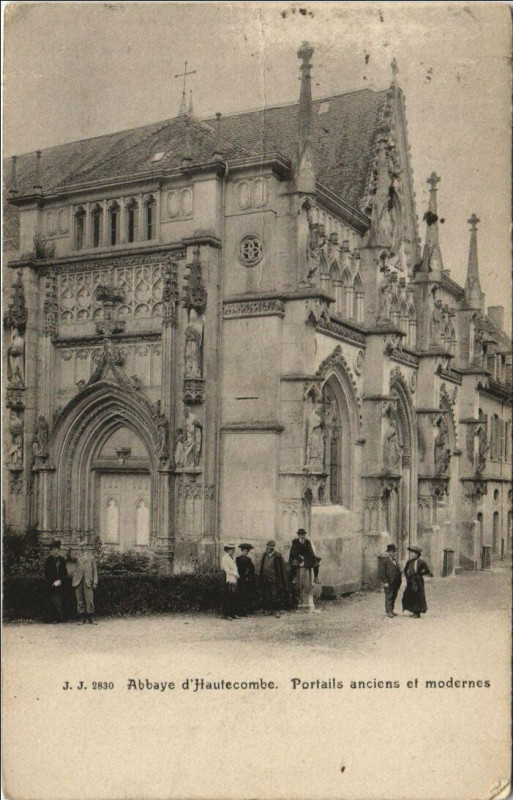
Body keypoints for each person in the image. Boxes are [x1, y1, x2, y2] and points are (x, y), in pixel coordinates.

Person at [288, 528, 320, 611]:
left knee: (316, 561)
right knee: (294, 564)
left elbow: (310, 552)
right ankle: (294, 577)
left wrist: (310, 558)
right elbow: (293, 552)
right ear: (298, 535)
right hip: (296, 557)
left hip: (305, 558)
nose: (302, 536)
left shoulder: (307, 542)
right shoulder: (295, 542)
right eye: (301, 535)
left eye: (303, 535)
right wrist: (299, 557)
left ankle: (316, 577)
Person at [258, 540, 290, 618]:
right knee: (267, 595)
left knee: (276, 595)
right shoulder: (265, 555)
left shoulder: (278, 556)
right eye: (267, 547)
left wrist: (283, 581)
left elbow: (282, 569)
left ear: (273, 548)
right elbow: (262, 566)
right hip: (266, 578)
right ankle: (269, 610)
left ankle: (277, 611)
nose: (268, 549)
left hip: (275, 579)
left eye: (270, 547)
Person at [70, 539, 99, 624]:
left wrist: (95, 582)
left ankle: (90, 618)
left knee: (89, 599)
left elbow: (95, 570)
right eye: (81, 546)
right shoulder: (77, 556)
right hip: (78, 581)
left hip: (88, 581)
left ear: (86, 547)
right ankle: (82, 618)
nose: (82, 548)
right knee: (80, 599)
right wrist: (70, 549)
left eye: (84, 546)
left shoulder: (91, 557)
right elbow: (70, 557)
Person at [402, 546, 433, 618]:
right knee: (410, 595)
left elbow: (427, 570)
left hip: (418, 581)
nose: (412, 554)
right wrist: (408, 577)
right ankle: (413, 611)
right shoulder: (409, 562)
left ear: (417, 554)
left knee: (418, 596)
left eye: (414, 553)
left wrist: (420, 574)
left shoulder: (421, 562)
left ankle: (417, 613)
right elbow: (405, 570)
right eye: (412, 553)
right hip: (411, 581)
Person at [44, 540, 68, 623]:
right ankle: (53, 618)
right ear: (51, 551)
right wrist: (53, 582)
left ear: (58, 550)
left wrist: (60, 581)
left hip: (60, 584)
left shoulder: (62, 560)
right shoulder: (48, 560)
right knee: (52, 601)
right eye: (53, 549)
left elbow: (65, 573)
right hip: (51, 584)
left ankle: (60, 617)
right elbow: (47, 574)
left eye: (56, 549)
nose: (55, 551)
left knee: (60, 601)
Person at [377, 543, 402, 618]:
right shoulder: (385, 561)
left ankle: (392, 609)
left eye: (395, 552)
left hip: (396, 582)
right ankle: (388, 611)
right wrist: (385, 582)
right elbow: (381, 573)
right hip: (388, 582)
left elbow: (396, 569)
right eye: (393, 552)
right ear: (389, 552)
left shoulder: (395, 561)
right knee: (389, 596)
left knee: (394, 595)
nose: (394, 553)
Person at [221, 544, 240, 620]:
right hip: (228, 579)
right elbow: (227, 570)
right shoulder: (225, 558)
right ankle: (227, 614)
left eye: (234, 549)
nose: (233, 551)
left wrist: (237, 574)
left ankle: (233, 613)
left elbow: (235, 567)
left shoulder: (233, 557)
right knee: (228, 597)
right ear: (228, 550)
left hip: (234, 579)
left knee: (234, 597)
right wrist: (235, 574)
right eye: (232, 549)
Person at [236, 543, 256, 617]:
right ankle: (240, 612)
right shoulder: (238, 559)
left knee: (246, 596)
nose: (245, 552)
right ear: (241, 551)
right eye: (244, 551)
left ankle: (245, 612)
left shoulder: (249, 559)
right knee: (240, 595)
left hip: (247, 580)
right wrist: (243, 573)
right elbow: (237, 569)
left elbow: (252, 569)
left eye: (247, 551)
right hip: (241, 579)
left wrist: (249, 573)